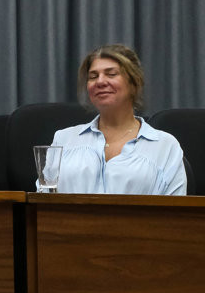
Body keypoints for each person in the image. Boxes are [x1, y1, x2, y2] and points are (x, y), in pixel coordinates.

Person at [47, 44, 186, 195]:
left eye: (111, 74)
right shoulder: (63, 139)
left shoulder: (165, 146)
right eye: (93, 76)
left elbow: (175, 213)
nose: (100, 82)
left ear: (134, 82)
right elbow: (43, 202)